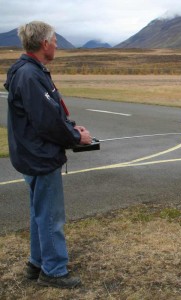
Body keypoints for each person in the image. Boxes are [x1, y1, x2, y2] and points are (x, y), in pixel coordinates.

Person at [4, 21, 92, 289]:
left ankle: (36, 262)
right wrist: (77, 137)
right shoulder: (30, 75)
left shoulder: (29, 71)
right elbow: (46, 122)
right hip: (39, 157)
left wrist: (70, 125)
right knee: (51, 216)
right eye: (54, 40)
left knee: (39, 212)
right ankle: (53, 270)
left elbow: (49, 113)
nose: (56, 44)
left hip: (31, 154)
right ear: (44, 44)